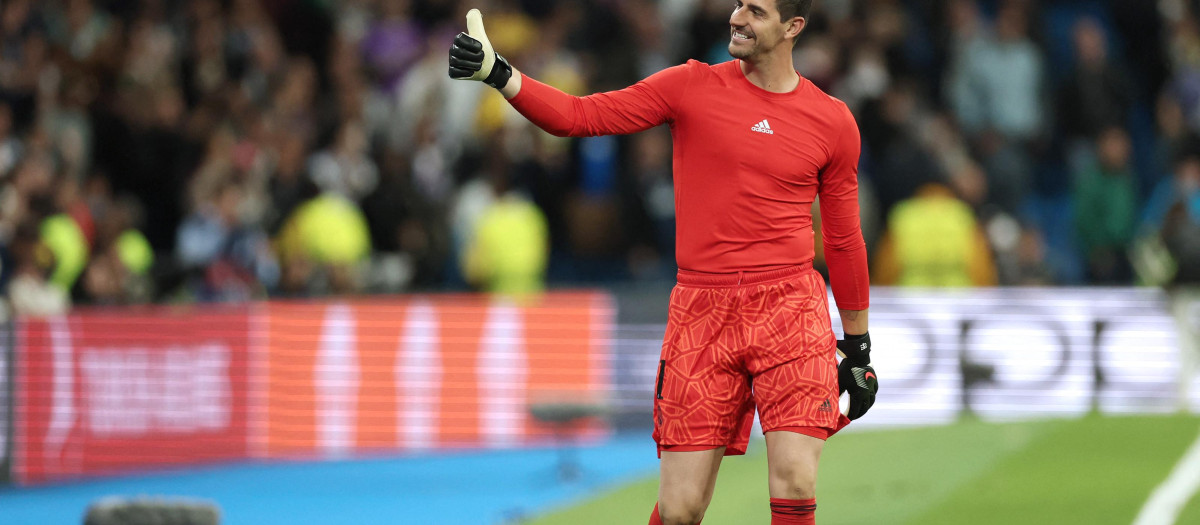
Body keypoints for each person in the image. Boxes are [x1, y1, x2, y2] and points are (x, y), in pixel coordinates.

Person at [449, 2, 878, 524]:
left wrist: (857, 348)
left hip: (790, 308)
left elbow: (843, 237)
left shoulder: (833, 120)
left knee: (794, 478)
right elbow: (579, 117)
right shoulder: (689, 86)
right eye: (739, 3)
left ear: (793, 28)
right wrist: (499, 72)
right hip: (702, 312)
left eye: (756, 11)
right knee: (680, 509)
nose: (737, 17)